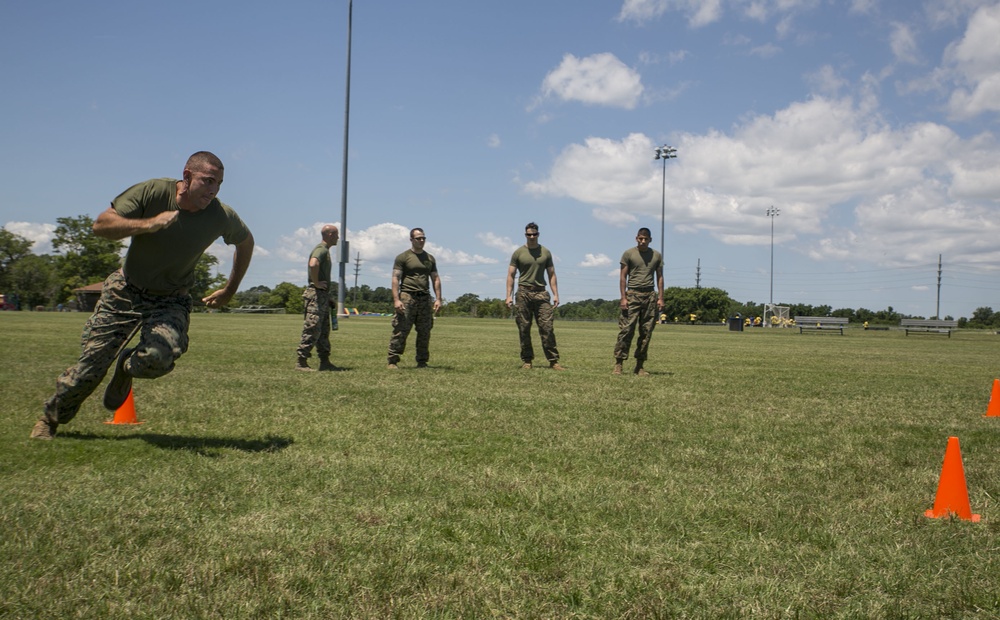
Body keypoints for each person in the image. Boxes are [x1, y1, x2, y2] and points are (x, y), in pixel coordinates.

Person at [30, 151, 254, 440]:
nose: (214, 190)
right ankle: (50, 420)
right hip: (125, 291)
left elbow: (246, 242)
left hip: (171, 299)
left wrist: (230, 289)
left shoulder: (220, 215)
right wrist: (147, 224)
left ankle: (126, 367)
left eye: (219, 183)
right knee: (89, 368)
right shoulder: (152, 191)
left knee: (159, 358)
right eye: (208, 181)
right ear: (186, 176)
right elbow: (101, 225)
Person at [505, 222, 564, 370]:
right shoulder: (518, 253)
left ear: (538, 234)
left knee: (547, 327)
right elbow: (511, 275)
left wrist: (556, 294)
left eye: (534, 234)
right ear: (525, 235)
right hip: (523, 293)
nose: (531, 237)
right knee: (524, 328)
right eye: (528, 234)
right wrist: (508, 296)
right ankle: (527, 360)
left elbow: (551, 274)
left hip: (541, 293)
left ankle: (553, 361)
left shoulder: (545, 252)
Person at [387, 228, 442, 369]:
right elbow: (395, 278)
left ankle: (422, 361)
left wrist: (438, 299)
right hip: (407, 296)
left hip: (424, 297)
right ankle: (393, 360)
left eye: (423, 238)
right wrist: (396, 299)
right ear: (411, 239)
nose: (421, 241)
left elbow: (435, 278)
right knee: (401, 329)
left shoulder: (430, 258)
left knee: (425, 331)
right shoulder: (403, 257)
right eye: (418, 238)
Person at [613, 227, 664, 376]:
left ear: (650, 240)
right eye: (640, 238)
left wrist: (660, 298)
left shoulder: (656, 255)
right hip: (632, 295)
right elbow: (623, 277)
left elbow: (660, 277)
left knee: (646, 332)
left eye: (645, 239)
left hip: (650, 296)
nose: (643, 241)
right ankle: (619, 363)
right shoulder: (629, 254)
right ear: (636, 238)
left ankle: (640, 366)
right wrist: (623, 297)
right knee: (626, 330)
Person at [296, 224, 341, 371]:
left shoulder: (325, 251)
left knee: (323, 330)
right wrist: (316, 283)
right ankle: (301, 362)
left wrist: (328, 297)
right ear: (329, 235)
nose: (338, 237)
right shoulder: (321, 249)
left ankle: (325, 361)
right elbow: (313, 264)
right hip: (316, 294)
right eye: (336, 234)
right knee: (313, 327)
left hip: (321, 295)